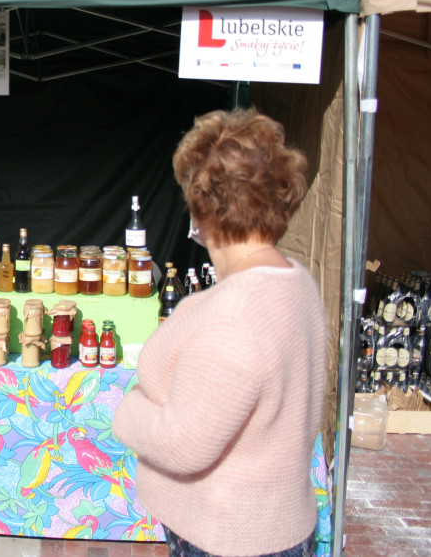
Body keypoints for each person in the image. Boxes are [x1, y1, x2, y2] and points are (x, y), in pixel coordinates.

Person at [113, 108, 325, 557]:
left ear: (203, 208)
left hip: (231, 537)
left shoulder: (232, 312)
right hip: (282, 527)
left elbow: (181, 443)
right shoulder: (299, 281)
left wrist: (127, 410)